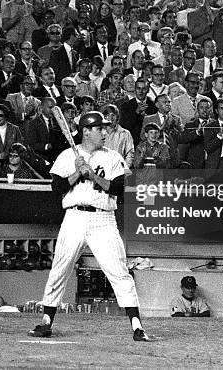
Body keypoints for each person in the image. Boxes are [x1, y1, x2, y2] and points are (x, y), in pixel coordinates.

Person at [29, 111, 150, 342]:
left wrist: (92, 175)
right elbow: (57, 188)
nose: (105, 132)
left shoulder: (113, 157)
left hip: (103, 219)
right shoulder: (67, 156)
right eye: (99, 129)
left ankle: (137, 326)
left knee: (119, 272)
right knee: (60, 268)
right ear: (86, 131)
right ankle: (46, 322)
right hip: (74, 217)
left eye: (105, 129)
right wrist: (77, 173)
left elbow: (118, 189)